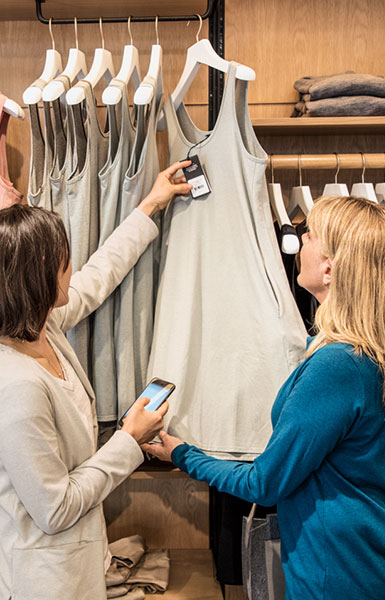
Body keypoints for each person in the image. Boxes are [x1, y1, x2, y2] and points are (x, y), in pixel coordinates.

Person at [147, 195, 385, 599]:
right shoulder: (364, 352)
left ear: (330, 267)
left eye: (311, 236)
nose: (300, 240)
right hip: (360, 559)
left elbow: (265, 483)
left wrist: (182, 454)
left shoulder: (337, 366)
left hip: (334, 572)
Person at [0, 161, 187, 599]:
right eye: (64, 258)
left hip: (75, 566)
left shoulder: (42, 326)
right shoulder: (16, 385)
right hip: (44, 582)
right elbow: (55, 507)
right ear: (42, 272)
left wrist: (150, 206)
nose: (71, 266)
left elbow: (98, 276)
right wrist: (129, 440)